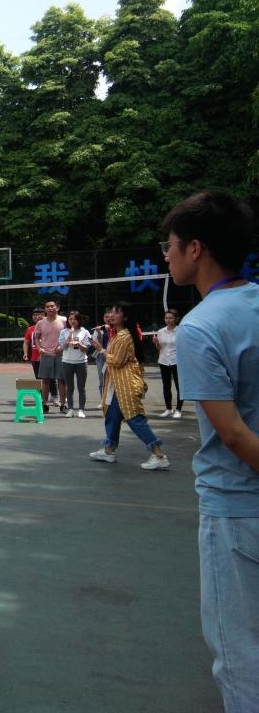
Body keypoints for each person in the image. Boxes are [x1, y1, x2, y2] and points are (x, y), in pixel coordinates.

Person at [161, 190, 259, 712]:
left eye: (170, 245)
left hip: (237, 508)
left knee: (241, 656)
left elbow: (234, 435)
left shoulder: (201, 326)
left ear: (195, 248)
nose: (167, 256)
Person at [89, 302, 169, 469]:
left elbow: (116, 361)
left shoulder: (124, 336)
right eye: (111, 312)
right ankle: (109, 450)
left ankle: (159, 454)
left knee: (134, 418)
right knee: (112, 415)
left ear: (125, 317)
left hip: (126, 384)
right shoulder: (118, 334)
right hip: (116, 384)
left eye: (116, 312)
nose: (111, 315)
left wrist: (101, 349)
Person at [34, 300, 67, 413]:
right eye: (47, 307)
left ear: (57, 308)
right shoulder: (40, 323)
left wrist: (62, 347)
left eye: (52, 306)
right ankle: (45, 404)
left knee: (62, 380)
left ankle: (63, 405)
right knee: (45, 381)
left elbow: (69, 335)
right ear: (45, 309)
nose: (50, 308)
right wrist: (40, 349)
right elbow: (36, 338)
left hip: (61, 355)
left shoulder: (64, 320)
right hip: (46, 355)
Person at [59, 310, 91, 418]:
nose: (73, 321)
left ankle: (81, 410)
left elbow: (86, 348)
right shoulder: (64, 332)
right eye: (70, 319)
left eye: (75, 319)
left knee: (81, 387)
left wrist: (79, 343)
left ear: (79, 320)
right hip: (67, 362)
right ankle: (70, 409)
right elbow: (63, 347)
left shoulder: (84, 332)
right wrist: (70, 334)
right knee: (69, 387)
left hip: (81, 362)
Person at [152, 309, 183, 419]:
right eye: (166, 318)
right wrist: (156, 343)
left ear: (176, 319)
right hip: (164, 360)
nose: (168, 320)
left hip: (177, 361)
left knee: (179, 386)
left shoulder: (180, 331)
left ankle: (178, 409)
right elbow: (159, 348)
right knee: (166, 385)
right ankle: (168, 408)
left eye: (171, 318)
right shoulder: (161, 331)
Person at [92, 311, 113, 408]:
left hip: (113, 354)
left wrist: (109, 331)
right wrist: (99, 334)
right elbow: (97, 345)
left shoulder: (116, 328)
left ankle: (113, 401)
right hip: (101, 355)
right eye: (106, 317)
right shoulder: (99, 329)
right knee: (102, 378)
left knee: (113, 378)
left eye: (110, 317)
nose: (108, 319)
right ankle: (103, 401)